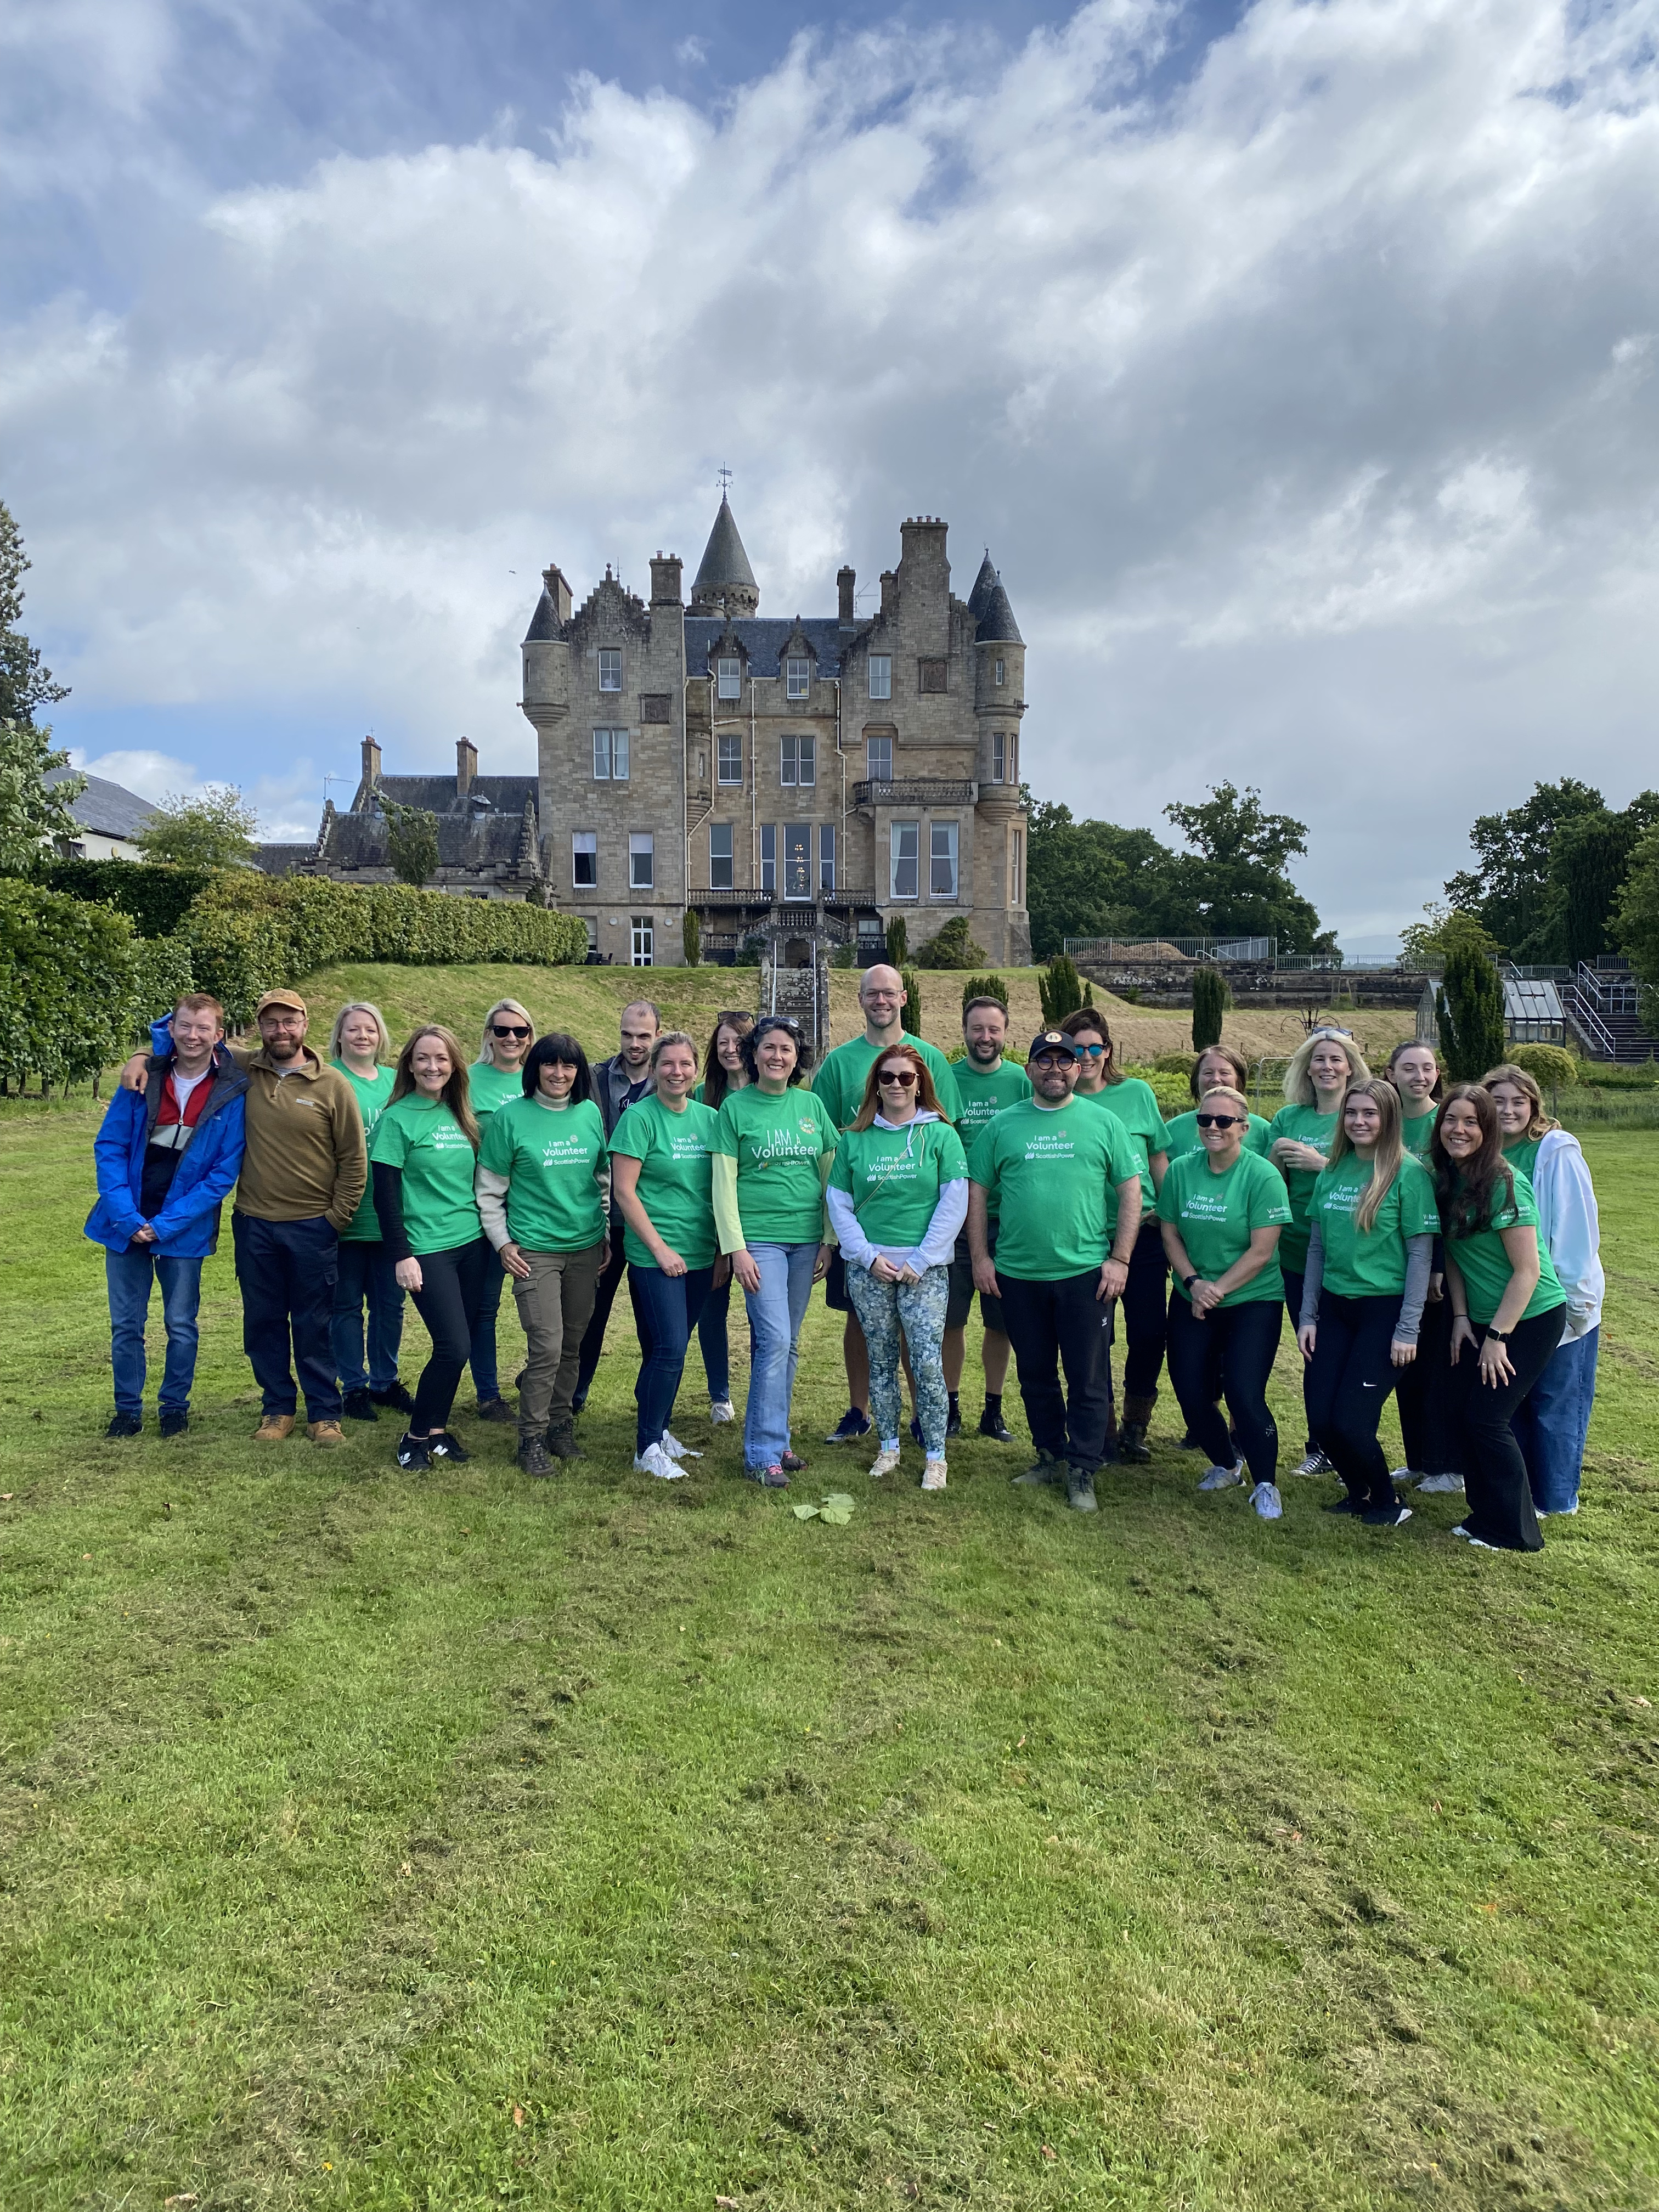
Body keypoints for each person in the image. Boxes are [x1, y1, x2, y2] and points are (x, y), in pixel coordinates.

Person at [118, 989, 368, 1446]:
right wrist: (140, 1054)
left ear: (305, 1025)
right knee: (263, 1322)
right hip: (255, 1222)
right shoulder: (241, 1068)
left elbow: (354, 1160)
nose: (281, 1031)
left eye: (289, 1022)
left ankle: (324, 1414)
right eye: (271, 1023)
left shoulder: (332, 1084)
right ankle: (277, 1410)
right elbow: (179, 1034)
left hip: (314, 1223)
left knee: (314, 1323)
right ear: (259, 1028)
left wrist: (337, 1217)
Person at [966, 1030, 1143, 1514]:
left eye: (1065, 1061)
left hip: (1085, 1273)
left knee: (1087, 1378)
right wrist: (982, 1257)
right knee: (1036, 1373)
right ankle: (1049, 1455)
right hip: (1019, 1274)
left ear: (1078, 1068)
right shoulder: (1003, 1126)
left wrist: (1121, 1258)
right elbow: (977, 1191)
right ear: (1029, 1070)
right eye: (1044, 1062)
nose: (1055, 1070)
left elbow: (1131, 1191)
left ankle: (1083, 1468)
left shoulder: (1103, 1122)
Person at [86, 992, 248, 1438]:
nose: (193, 1036)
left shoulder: (234, 1090)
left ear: (219, 1035)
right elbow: (110, 1147)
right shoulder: (143, 1079)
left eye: (203, 1028)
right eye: (184, 1026)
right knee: (126, 1324)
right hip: (125, 1222)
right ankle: (128, 1410)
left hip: (182, 1228)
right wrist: (125, 1216)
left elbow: (222, 1174)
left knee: (180, 1324)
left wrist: (166, 1224)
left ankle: (174, 1406)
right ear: (171, 1030)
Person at [812, 966, 961, 1443]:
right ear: (860, 1000)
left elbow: (945, 1132)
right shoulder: (838, 1062)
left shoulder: (930, 1056)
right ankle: (861, 1411)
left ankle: (922, 1418)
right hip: (861, 1218)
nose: (881, 1000)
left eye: (889, 993)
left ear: (903, 998)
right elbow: (826, 1135)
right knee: (861, 1318)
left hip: (918, 1231)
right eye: (872, 993)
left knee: (920, 1335)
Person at [1295, 1079, 1439, 1528]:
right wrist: (1308, 1315)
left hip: (1385, 1311)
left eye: (1370, 1113)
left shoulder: (1408, 1174)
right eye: (1352, 1113)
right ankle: (1358, 1493)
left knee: (1352, 1422)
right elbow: (1316, 1248)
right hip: (1337, 1310)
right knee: (1323, 1419)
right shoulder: (1334, 1169)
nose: (1359, 1121)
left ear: (1388, 1118)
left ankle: (1388, 1502)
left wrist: (1408, 1328)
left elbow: (1421, 1254)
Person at [827, 1042, 969, 1490]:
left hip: (924, 1269)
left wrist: (923, 1259)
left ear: (920, 1083)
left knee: (927, 1364)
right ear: (876, 1084)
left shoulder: (942, 1135)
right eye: (887, 1077)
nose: (896, 1085)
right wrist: (868, 1257)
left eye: (906, 1077)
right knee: (882, 1361)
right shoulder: (854, 1138)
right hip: (871, 1267)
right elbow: (839, 1202)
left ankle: (935, 1454)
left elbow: (954, 1201)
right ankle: (888, 1445)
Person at [1432, 1083, 1567, 1553]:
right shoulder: (1447, 1178)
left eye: (1472, 1122)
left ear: (1487, 1130)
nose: (1460, 1129)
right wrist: (1462, 1316)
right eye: (1452, 1119)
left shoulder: (1503, 1181)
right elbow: (1455, 1253)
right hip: (1485, 1319)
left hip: (1529, 1318)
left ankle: (1517, 1531)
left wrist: (1497, 1336)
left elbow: (1528, 1272)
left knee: (1489, 1420)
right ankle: (1484, 1515)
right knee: (1468, 1417)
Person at [1155, 1083, 1291, 1519]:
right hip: (1192, 1296)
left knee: (1244, 1392)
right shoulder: (1180, 1170)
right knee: (1191, 1391)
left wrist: (1216, 1290)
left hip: (1252, 1299)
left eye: (1224, 1121)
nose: (1213, 1128)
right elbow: (1170, 1230)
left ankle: (1266, 1482)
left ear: (1244, 1127)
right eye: (1205, 1120)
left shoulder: (1262, 1175)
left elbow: (1261, 1251)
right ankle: (1226, 1464)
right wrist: (1194, 1282)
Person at [712, 1015, 837, 1487]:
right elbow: (723, 1186)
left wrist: (829, 1238)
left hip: (806, 1241)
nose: (777, 1056)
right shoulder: (735, 1109)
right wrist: (736, 1249)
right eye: (768, 1048)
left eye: (786, 1049)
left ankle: (779, 1440)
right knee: (774, 1341)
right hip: (758, 1242)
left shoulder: (811, 1106)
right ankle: (760, 1452)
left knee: (790, 1345)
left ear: (797, 1057)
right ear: (753, 1054)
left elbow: (830, 1177)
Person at [477, 1032, 610, 1476]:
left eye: (568, 1066)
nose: (559, 1074)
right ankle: (530, 1438)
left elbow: (601, 1178)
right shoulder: (509, 1118)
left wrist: (605, 1231)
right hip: (535, 1251)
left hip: (586, 1247)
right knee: (547, 1346)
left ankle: (559, 1426)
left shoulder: (590, 1113)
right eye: (550, 1065)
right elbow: (490, 1190)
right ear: (536, 1069)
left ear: (579, 1072)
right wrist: (503, 1242)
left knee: (573, 1344)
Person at [1485, 1062, 1603, 1517]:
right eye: (1498, 1102)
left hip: (1560, 1301)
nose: (1509, 1111)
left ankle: (1556, 1499)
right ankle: (1523, 1492)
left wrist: (1576, 1305)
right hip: (1509, 1302)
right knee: (1513, 1402)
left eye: (1519, 1102)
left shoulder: (1555, 1150)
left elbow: (1575, 1230)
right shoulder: (1486, 1152)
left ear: (1534, 1106)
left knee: (1555, 1403)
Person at [369, 1025, 489, 1471]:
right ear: (410, 1065)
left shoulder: (461, 1114)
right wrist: (401, 1255)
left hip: (471, 1243)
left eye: (441, 1058)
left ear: (455, 1065)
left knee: (464, 1341)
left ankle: (437, 1430)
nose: (432, 1067)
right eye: (423, 1058)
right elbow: (385, 1195)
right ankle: (414, 1436)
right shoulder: (396, 1119)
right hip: (426, 1249)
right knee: (452, 1346)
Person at [1060, 1008, 1171, 1463]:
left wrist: (1168, 1214)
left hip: (1142, 1234)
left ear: (1108, 1050)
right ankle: (1100, 1427)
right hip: (1088, 1237)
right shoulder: (1056, 1101)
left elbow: (1159, 1158)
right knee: (1094, 1339)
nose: (1086, 1057)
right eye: (1077, 1048)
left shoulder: (1137, 1095)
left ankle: (1135, 1425)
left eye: (1095, 1047)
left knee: (1148, 1334)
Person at [611, 1032, 721, 1482]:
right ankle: (647, 1447)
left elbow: (722, 1188)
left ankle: (660, 1428)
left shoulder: (710, 1118)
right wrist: (659, 1249)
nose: (677, 1072)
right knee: (670, 1348)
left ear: (697, 1070)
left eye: (686, 1064)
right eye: (668, 1064)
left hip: (700, 1254)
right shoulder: (639, 1119)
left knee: (666, 1348)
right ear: (654, 1069)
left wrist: (721, 1250)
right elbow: (624, 1191)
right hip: (655, 1256)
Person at [1267, 1026, 1372, 1476]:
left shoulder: (1363, 1115)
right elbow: (1271, 1184)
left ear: (1351, 1067)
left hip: (1351, 1254)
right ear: (1305, 1068)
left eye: (1336, 1060)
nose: (1327, 1067)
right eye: (1318, 1060)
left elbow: (1383, 1181)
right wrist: (1274, 1159)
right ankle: (1320, 1446)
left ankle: (1349, 1440)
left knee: (1347, 1354)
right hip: (1295, 1253)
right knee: (1314, 1349)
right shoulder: (1289, 1117)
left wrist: (1320, 1163)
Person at [944, 996, 1030, 1442]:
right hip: (956, 1221)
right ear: (964, 1031)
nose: (985, 1037)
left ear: (1005, 1032)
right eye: (977, 1029)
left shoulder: (1021, 1081)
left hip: (1009, 1222)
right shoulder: (947, 1079)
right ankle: (951, 1405)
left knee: (1001, 1324)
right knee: (951, 1321)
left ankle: (993, 1410)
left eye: (993, 1029)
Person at [573, 1000, 662, 1414]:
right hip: (601, 1220)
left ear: (657, 1036)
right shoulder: (593, 1078)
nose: (634, 1043)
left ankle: (650, 1403)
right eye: (627, 1034)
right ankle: (572, 1395)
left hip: (649, 1223)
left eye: (644, 1036)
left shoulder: (670, 1083)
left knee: (652, 1324)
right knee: (589, 1317)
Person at [329, 1001, 410, 1422]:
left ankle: (384, 1380)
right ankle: (353, 1385)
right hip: (343, 1216)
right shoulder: (327, 1079)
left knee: (389, 1305)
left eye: (371, 1030)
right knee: (344, 1306)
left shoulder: (397, 1083)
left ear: (381, 1038)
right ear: (339, 1036)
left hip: (389, 1217)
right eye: (354, 1029)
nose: (363, 1036)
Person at [1384, 1039, 1455, 1492]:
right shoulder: (1387, 1122)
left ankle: (1448, 1464)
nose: (1419, 1076)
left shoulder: (1444, 1123)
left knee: (1437, 1368)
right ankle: (1417, 1460)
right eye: (1408, 1068)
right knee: (1405, 1371)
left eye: (1427, 1068)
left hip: (1438, 1264)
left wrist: (1439, 1266)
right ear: (1391, 1074)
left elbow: (1455, 1200)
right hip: (1393, 1264)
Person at [465, 1000, 537, 1424]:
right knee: (485, 1307)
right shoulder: (469, 1081)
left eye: (520, 1031)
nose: (511, 1038)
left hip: (535, 1211)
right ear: (489, 1033)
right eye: (502, 1029)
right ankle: (488, 1394)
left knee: (544, 1305)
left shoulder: (541, 1079)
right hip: (485, 1210)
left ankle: (539, 1377)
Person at [692, 1011, 754, 1424]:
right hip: (710, 1219)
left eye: (738, 1042)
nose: (730, 1050)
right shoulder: (702, 1096)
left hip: (758, 1219)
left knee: (762, 1315)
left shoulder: (771, 1091)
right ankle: (720, 1395)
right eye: (722, 1044)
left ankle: (763, 1397)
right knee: (711, 1309)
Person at [1163, 1046, 1272, 1162]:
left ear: (1239, 1080)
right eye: (1208, 1073)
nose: (1216, 1079)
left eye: (1224, 1073)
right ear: (1196, 1079)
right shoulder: (1173, 1129)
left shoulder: (1263, 1130)